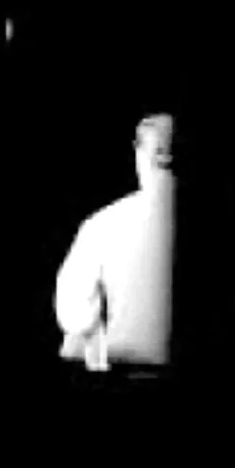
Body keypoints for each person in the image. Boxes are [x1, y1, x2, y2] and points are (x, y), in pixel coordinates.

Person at [54, 113, 179, 371]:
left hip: (120, 370)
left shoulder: (104, 224)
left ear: (140, 152)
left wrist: (96, 355)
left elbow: (72, 308)